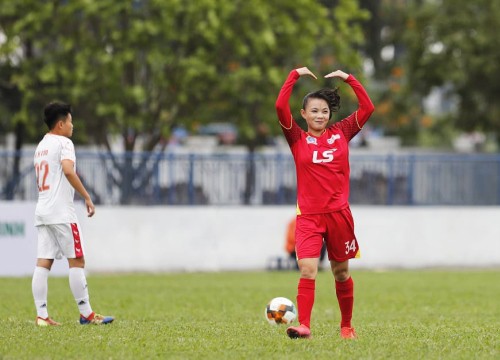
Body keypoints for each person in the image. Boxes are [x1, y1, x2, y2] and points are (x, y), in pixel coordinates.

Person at [275, 67, 374, 339]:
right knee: (308, 268)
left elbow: (368, 107)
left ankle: (347, 327)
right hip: (308, 216)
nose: (320, 115)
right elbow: (279, 105)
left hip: (339, 215)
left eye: (324, 111)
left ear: (330, 115)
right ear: (303, 114)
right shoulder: (296, 138)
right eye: (314, 111)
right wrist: (294, 75)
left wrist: (349, 79)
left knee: (341, 273)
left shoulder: (341, 132)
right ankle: (304, 325)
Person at [32, 102, 114, 326]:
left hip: (42, 211)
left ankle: (41, 315)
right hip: (62, 213)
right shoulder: (64, 142)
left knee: (43, 263)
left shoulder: (41, 146)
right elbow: (68, 170)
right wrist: (86, 196)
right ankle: (86, 314)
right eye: (69, 121)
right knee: (77, 260)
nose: (72, 125)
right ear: (60, 124)